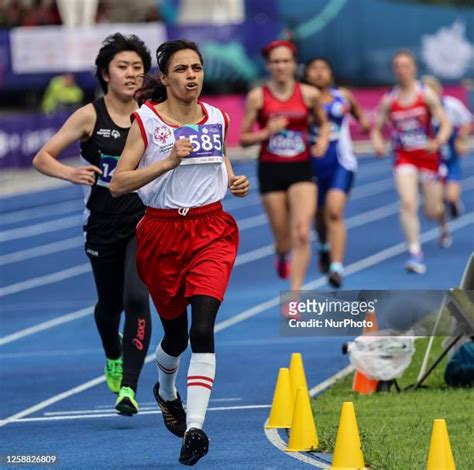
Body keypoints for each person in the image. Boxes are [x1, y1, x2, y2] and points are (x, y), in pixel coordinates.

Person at [109, 39, 249, 466]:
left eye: (197, 68)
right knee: (175, 334)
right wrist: (168, 161)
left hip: (210, 231)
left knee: (202, 329)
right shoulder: (147, 122)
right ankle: (166, 392)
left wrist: (232, 180)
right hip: (161, 233)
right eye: (182, 69)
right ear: (166, 78)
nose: (192, 76)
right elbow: (118, 183)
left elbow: (221, 157)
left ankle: (195, 429)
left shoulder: (219, 117)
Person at [33, 33, 153, 415]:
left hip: (143, 219)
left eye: (138, 67)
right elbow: (42, 157)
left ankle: (130, 390)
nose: (132, 74)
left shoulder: (150, 114)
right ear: (105, 74)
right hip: (101, 222)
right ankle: (112, 351)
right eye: (123, 67)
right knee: (109, 305)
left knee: (137, 297)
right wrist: (71, 173)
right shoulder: (89, 115)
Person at [239, 40, 329, 294]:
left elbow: (323, 124)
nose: (281, 66)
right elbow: (244, 139)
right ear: (268, 65)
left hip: (301, 168)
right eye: (276, 61)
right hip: (271, 170)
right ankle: (281, 253)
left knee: (302, 231)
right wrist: (268, 131)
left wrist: (321, 140)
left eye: (286, 61)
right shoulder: (257, 97)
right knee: (284, 239)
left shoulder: (309, 94)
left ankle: (295, 293)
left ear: (294, 64)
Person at [371, 50, 451, 274]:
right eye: (397, 65)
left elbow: (445, 123)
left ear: (414, 68)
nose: (401, 69)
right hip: (404, 157)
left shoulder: (425, 95)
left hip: (427, 157)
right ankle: (415, 254)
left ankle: (442, 221)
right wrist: (378, 143)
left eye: (405, 65)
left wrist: (438, 141)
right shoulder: (389, 99)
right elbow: (377, 129)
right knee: (407, 203)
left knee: (432, 210)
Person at [304, 57, 370, 288]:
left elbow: (360, 115)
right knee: (319, 215)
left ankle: (337, 267)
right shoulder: (302, 99)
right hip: (311, 163)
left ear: (330, 72)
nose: (319, 73)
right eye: (314, 68)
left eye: (324, 68)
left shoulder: (343, 96)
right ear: (307, 73)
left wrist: (364, 125)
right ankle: (324, 247)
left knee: (334, 212)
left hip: (341, 162)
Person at [422, 75, 472, 219]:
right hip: (431, 158)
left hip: (450, 156)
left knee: (449, 196)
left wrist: (460, 140)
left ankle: (453, 202)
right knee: (434, 204)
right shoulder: (421, 110)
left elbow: (468, 122)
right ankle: (443, 230)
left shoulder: (451, 105)